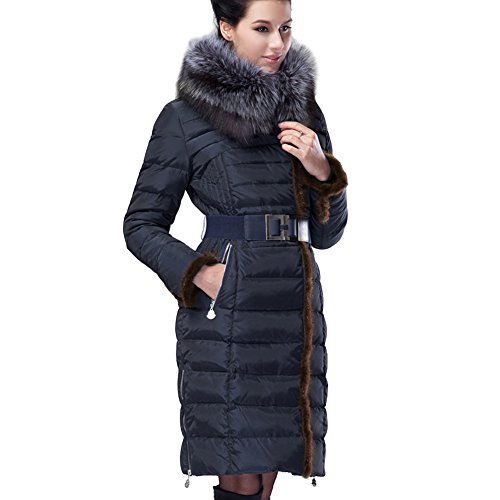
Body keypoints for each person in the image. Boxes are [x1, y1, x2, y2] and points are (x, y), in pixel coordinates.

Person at [123, 0, 348, 498]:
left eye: (285, 29)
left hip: (292, 309)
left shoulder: (304, 114)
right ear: (227, 27)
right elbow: (140, 224)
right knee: (241, 473)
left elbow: (328, 235)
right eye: (262, 28)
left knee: (269, 473)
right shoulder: (185, 118)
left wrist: (321, 169)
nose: (277, 44)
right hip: (228, 311)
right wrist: (198, 273)